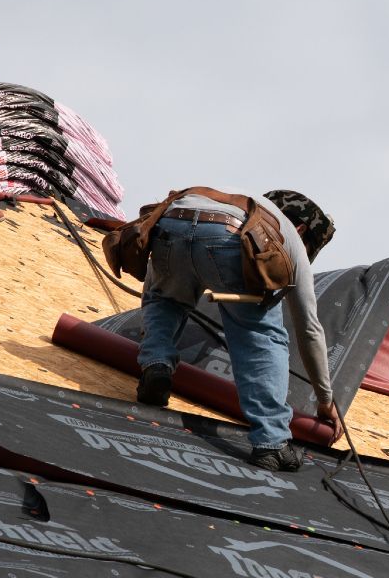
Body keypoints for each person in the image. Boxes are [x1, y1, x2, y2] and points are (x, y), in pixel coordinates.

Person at [136, 188, 343, 472]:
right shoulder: (288, 235)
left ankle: (157, 366)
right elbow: (309, 328)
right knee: (262, 333)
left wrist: (152, 342)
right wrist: (325, 399)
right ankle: (272, 442)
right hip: (228, 237)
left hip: (171, 221)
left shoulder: (236, 200)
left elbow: (154, 289)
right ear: (301, 228)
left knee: (166, 298)